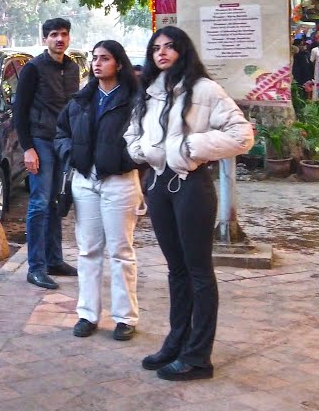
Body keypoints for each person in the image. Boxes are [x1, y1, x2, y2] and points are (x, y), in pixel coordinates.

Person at [124, 26, 254, 381]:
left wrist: (188, 148)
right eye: (156, 48)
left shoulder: (205, 90)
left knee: (198, 271)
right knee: (175, 269)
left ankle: (198, 357)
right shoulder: (149, 92)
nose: (161, 53)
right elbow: (133, 133)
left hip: (190, 186)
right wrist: (142, 152)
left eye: (169, 47)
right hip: (159, 186)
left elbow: (242, 135)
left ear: (184, 50)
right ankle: (176, 342)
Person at [55, 40, 142, 342]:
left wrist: (126, 158)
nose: (97, 63)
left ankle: (125, 318)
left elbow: (146, 137)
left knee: (120, 251)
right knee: (88, 250)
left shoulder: (134, 99)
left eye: (104, 58)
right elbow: (61, 132)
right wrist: (70, 154)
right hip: (84, 180)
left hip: (119, 180)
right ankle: (87, 314)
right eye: (94, 58)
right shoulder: (81, 99)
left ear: (118, 63)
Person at [12, 17, 80, 289]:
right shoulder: (33, 69)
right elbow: (19, 111)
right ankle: (36, 267)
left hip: (64, 143)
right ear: (44, 39)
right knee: (39, 203)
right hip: (40, 141)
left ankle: (54, 259)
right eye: (53, 35)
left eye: (63, 34)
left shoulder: (73, 67)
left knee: (56, 202)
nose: (59, 39)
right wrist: (28, 148)